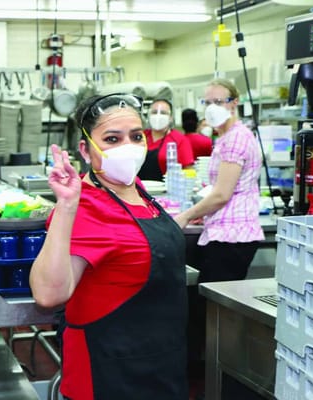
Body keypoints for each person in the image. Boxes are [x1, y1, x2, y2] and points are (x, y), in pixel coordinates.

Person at [30, 94, 188, 400]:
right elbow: (48, 295)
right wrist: (65, 206)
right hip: (109, 374)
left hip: (162, 364)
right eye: (112, 139)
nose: (127, 147)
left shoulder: (138, 189)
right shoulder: (84, 205)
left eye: (136, 136)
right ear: (86, 149)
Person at [174, 78, 265, 283]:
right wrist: (204, 213)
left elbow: (222, 194)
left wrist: (186, 216)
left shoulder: (235, 139)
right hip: (225, 231)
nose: (212, 108)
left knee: (214, 306)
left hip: (232, 236)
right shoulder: (227, 136)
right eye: (207, 103)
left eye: (218, 101)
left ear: (234, 103)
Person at [137, 98, 194, 181]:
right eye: (154, 112)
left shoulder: (179, 140)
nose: (158, 116)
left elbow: (189, 170)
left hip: (166, 190)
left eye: (163, 113)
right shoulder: (140, 136)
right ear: (148, 115)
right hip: (139, 189)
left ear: (170, 118)